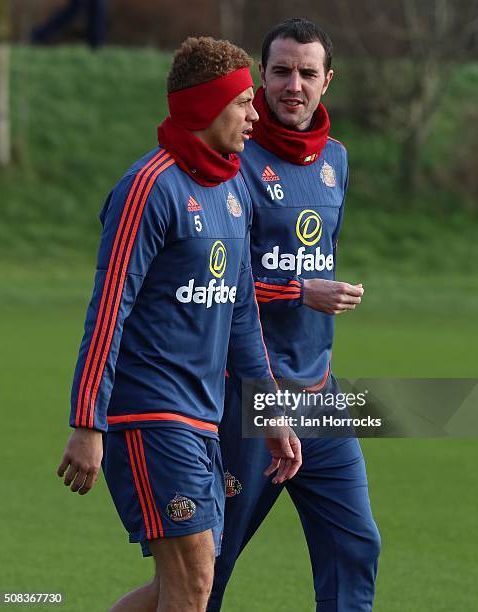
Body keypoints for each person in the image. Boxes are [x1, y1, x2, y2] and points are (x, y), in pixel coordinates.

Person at [56, 36, 301, 612]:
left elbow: (242, 319)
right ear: (204, 107)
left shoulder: (234, 189)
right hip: (148, 416)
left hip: (203, 419)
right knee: (192, 585)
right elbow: (108, 309)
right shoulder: (148, 188)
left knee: (182, 587)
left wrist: (269, 414)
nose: (253, 113)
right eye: (242, 101)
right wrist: (88, 423)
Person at [208, 19, 381, 612]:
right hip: (251, 394)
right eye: (281, 71)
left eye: (308, 73)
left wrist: (313, 295)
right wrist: (297, 292)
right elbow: (215, 279)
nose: (294, 85)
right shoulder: (233, 160)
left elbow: (313, 258)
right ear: (263, 75)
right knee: (207, 568)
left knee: (356, 546)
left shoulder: (337, 160)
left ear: (328, 80)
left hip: (319, 392)